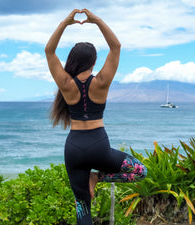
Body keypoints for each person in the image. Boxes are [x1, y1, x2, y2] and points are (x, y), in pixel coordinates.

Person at [45, 9, 147, 225]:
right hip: (98, 145)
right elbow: (116, 46)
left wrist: (65, 23)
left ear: (73, 61)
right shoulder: (101, 82)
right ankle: (96, 177)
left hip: (73, 148)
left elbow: (49, 50)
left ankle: (92, 178)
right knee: (140, 171)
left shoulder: (65, 84)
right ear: (94, 61)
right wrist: (97, 21)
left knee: (82, 209)